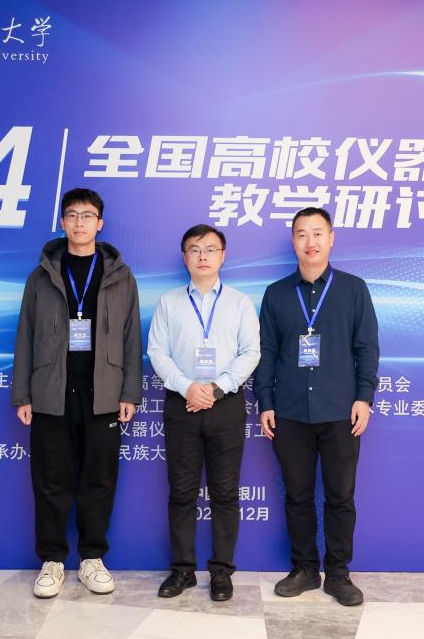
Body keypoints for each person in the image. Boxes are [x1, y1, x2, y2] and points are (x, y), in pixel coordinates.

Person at [11, 188, 142, 598]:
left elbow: (131, 338)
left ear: (100, 223)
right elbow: (25, 336)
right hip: (51, 393)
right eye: (72, 215)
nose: (80, 222)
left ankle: (91, 559)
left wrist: (129, 392)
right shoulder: (41, 276)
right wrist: (23, 394)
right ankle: (51, 561)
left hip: (103, 393)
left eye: (87, 215)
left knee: (98, 479)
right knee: (51, 479)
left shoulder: (120, 276)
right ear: (63, 222)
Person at [254, 207, 379, 607]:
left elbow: (367, 348)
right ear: (293, 241)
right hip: (289, 411)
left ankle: (338, 574)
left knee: (340, 497)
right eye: (302, 234)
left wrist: (364, 397)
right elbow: (265, 353)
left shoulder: (353, 289)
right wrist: (265, 402)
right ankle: (305, 568)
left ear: (331, 238)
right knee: (297, 495)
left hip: (341, 411)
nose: (310, 242)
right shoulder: (276, 294)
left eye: (317, 233)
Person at [147, 224, 261, 601]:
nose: (202, 256)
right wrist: (187, 387)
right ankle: (182, 570)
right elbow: (157, 352)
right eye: (194, 250)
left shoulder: (240, 303)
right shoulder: (169, 303)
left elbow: (251, 352)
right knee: (182, 492)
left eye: (210, 249)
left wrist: (216, 388)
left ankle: (222, 572)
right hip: (182, 405)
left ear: (222, 256)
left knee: (225, 493)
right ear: (184, 257)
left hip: (225, 406)